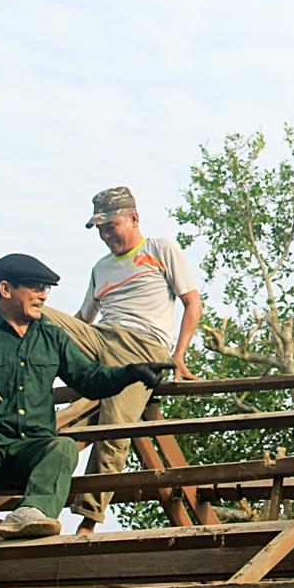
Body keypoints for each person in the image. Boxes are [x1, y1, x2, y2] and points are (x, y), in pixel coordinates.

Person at [0, 254, 173, 546]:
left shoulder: (52, 338)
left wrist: (131, 373)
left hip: (30, 455)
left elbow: (90, 380)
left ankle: (31, 513)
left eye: (46, 289)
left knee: (63, 447)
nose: (43, 295)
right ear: (6, 290)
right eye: (35, 287)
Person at [43, 186, 203, 533]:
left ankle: (87, 521)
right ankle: (17, 385)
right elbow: (82, 319)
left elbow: (192, 302)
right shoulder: (100, 268)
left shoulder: (160, 249)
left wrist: (178, 357)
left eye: (110, 225)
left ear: (133, 218)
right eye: (99, 229)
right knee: (36, 311)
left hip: (142, 346)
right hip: (100, 335)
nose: (105, 235)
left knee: (113, 430)